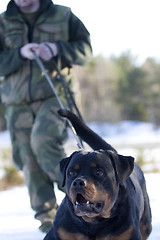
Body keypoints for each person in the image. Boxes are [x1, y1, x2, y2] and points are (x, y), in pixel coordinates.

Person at [0, 0, 92, 233]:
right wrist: (18, 54)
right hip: (16, 102)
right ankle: (49, 222)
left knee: (42, 142)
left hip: (56, 95)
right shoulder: (3, 21)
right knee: (28, 159)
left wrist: (57, 49)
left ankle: (85, 200)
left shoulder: (63, 15)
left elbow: (85, 51)